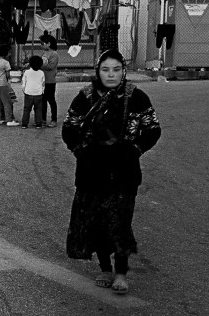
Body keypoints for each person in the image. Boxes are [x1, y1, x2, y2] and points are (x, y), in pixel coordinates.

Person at [61, 49, 161, 295]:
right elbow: (69, 128)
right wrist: (81, 150)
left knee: (120, 222)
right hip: (91, 172)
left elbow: (152, 129)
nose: (111, 74)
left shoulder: (137, 97)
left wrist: (134, 149)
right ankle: (105, 268)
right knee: (96, 222)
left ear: (124, 71)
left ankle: (121, 272)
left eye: (116, 69)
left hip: (124, 172)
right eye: (105, 69)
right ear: (98, 71)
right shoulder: (85, 97)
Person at [0, 45, 19, 127]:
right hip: (2, 84)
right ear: (5, 53)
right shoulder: (6, 63)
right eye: (9, 52)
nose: (10, 54)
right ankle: (9, 120)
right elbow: (7, 75)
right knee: (7, 102)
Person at [39, 34, 60, 127]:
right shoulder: (44, 53)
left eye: (42, 43)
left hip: (50, 81)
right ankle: (43, 119)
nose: (41, 45)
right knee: (42, 101)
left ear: (48, 44)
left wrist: (39, 64)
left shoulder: (54, 54)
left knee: (51, 100)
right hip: (42, 81)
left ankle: (54, 120)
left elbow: (50, 66)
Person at [20, 55, 46, 129]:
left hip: (28, 93)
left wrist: (24, 90)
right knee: (38, 109)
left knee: (27, 109)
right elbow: (43, 84)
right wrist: (42, 91)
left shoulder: (27, 72)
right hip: (38, 93)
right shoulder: (41, 73)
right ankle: (38, 124)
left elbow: (23, 83)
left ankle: (24, 124)